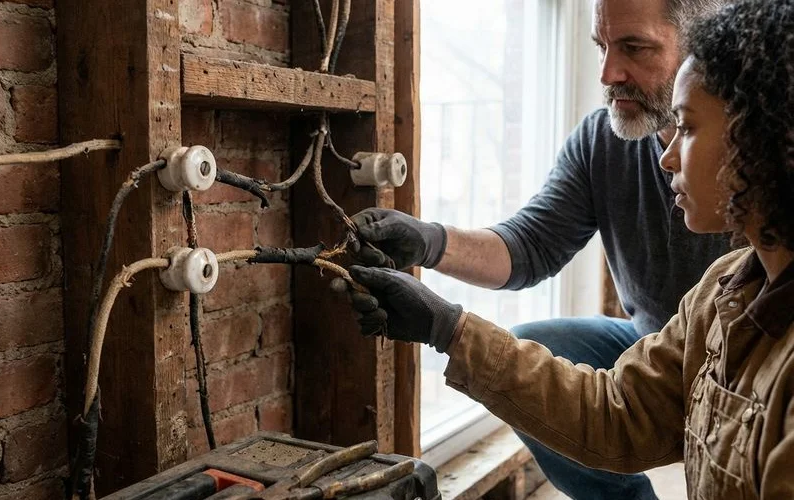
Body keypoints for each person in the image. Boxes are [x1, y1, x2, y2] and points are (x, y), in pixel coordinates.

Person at [338, 0, 794, 497]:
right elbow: (532, 247)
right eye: (601, 47)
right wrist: (437, 285)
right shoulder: (722, 289)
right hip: (665, 343)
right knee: (546, 344)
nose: (608, 72)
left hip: (687, 348)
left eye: (634, 47)